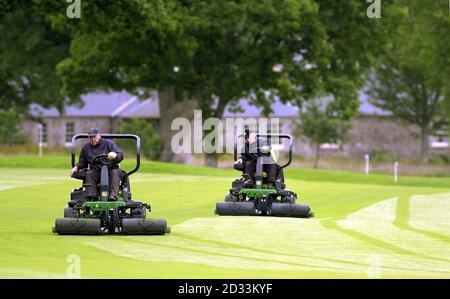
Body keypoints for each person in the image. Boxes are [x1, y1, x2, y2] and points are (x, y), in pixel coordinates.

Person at [70, 128, 124, 201]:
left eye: (94, 137)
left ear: (99, 135)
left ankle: (113, 195)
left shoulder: (108, 143)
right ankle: (92, 195)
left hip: (110, 170)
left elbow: (120, 155)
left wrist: (115, 156)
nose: (92, 139)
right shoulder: (86, 147)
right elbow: (83, 162)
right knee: (89, 174)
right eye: (90, 137)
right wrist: (76, 167)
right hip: (96, 171)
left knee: (115, 173)